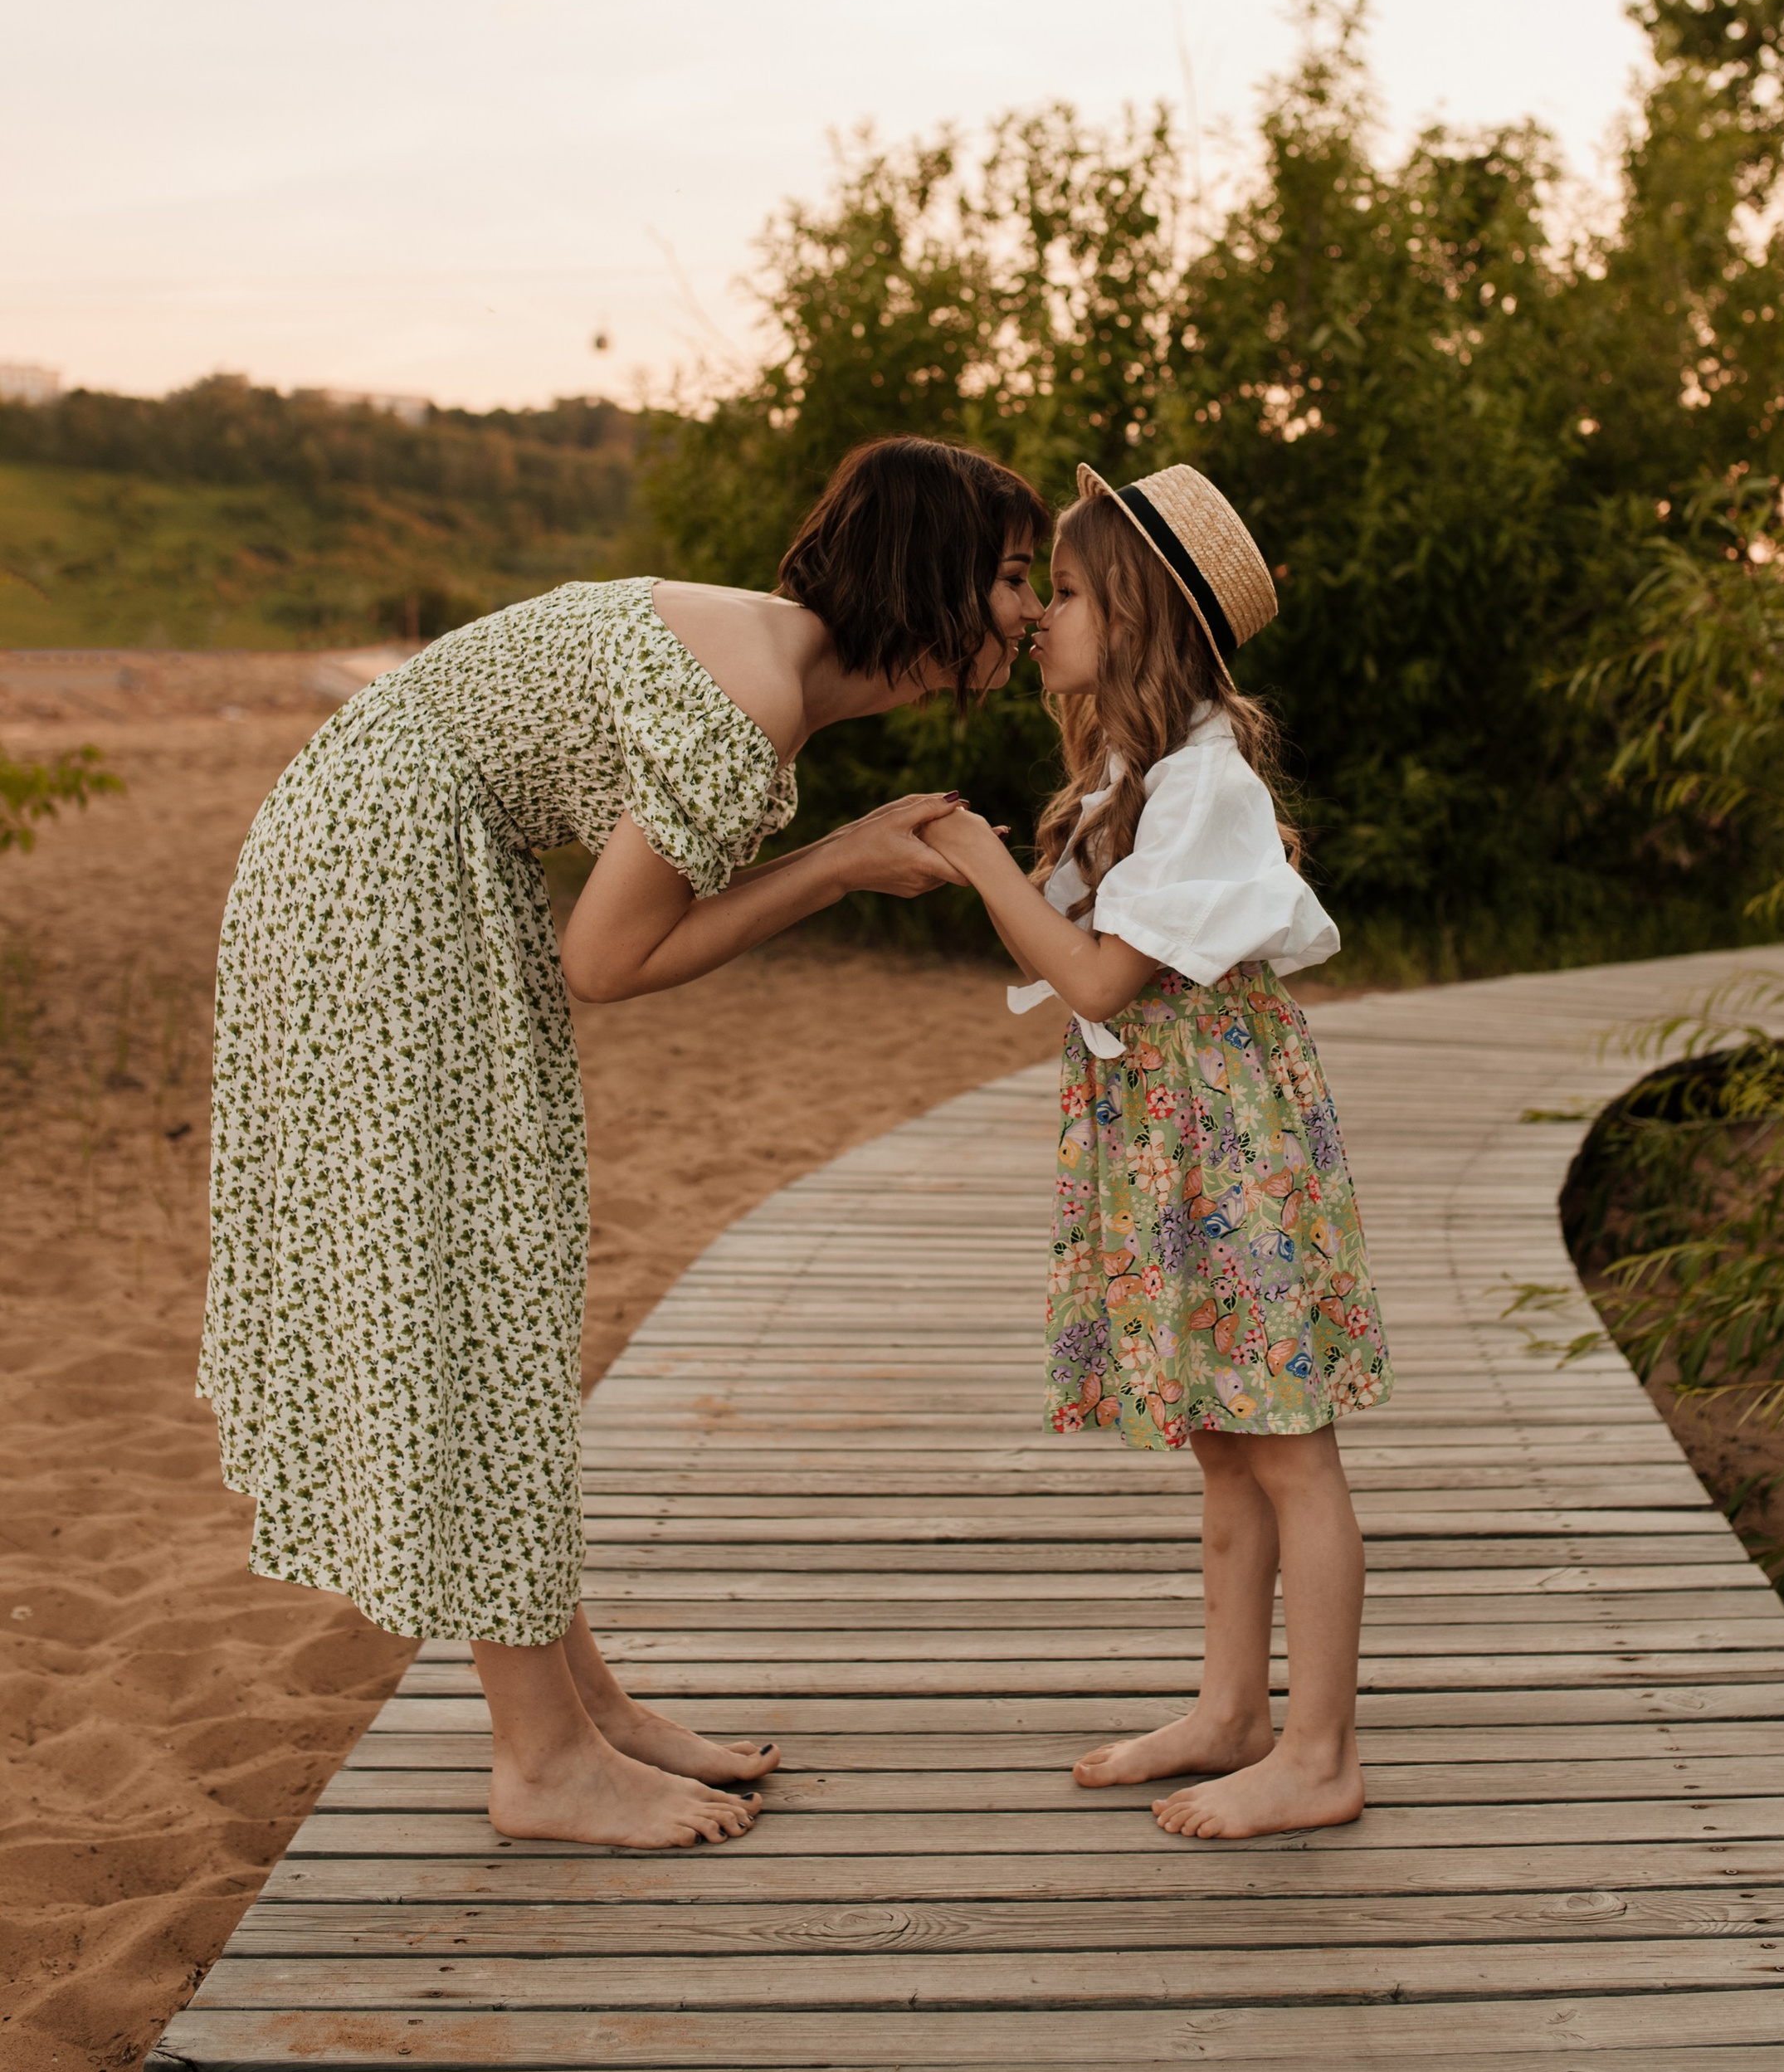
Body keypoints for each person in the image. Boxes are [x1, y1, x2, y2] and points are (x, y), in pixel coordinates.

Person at [202, 436, 1049, 1852]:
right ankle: (542, 1760)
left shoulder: (767, 659)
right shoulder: (752, 693)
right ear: (940, 574)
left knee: (500, 1272)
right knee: (482, 1283)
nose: (1032, 610)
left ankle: (583, 1707)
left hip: (383, 851)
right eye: (1016, 577)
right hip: (381, 875)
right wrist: (839, 864)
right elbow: (606, 960)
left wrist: (837, 849)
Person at [918, 461, 1392, 1840]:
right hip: (1177, 1135)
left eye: (1064, 593)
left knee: (1288, 1444)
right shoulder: (1141, 776)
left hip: (1229, 1138)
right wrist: (986, 860)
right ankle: (1233, 1712)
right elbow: (1072, 957)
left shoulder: (1202, 787)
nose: (1040, 619)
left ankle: (1321, 1754)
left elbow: (1096, 978)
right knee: (1226, 1442)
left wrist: (975, 855)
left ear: (1139, 619)